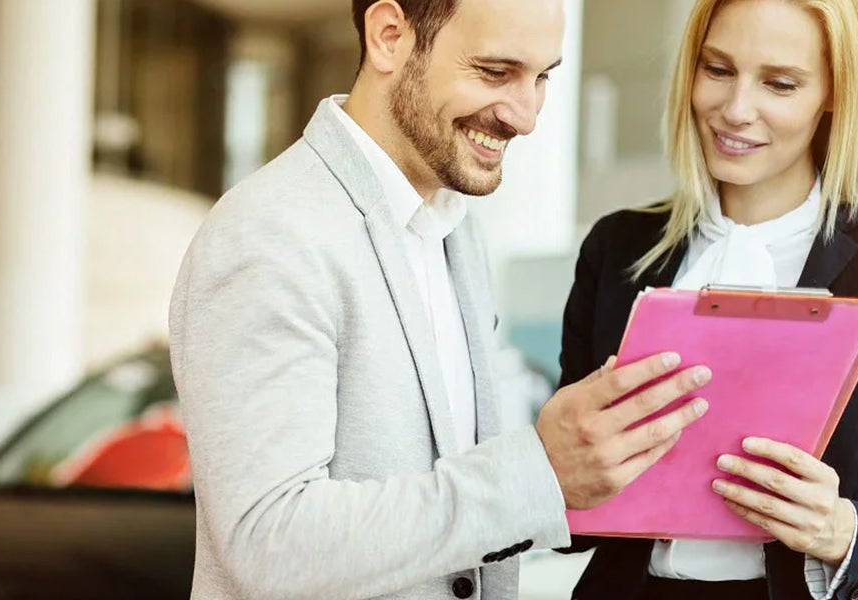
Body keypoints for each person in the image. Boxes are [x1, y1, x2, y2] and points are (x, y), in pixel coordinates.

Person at [168, 1, 714, 598]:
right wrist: (539, 470)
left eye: (543, 77)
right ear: (389, 37)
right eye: (495, 71)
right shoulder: (270, 234)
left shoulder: (455, 228)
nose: (526, 116)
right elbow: (269, 546)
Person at [557, 0, 858, 598]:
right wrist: (560, 469)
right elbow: (566, 517)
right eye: (717, 70)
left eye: (780, 84)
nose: (735, 110)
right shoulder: (617, 246)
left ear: (834, 93)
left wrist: (840, 529)